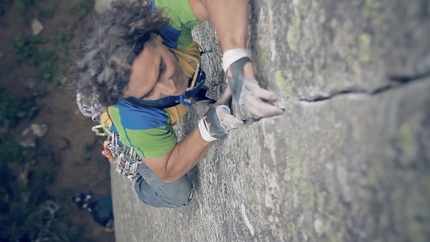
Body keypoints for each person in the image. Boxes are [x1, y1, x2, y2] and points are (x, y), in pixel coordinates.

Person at [70, 0, 284, 208]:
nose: (170, 87)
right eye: (149, 92)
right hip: (131, 135)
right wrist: (208, 128)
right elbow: (167, 169)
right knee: (178, 193)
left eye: (161, 68)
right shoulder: (136, 119)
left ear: (156, 37)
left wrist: (235, 57)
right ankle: (139, 178)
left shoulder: (160, 19)